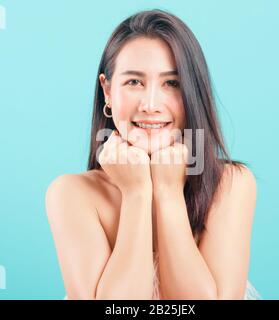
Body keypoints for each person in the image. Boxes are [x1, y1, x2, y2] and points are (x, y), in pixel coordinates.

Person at [46, 9, 261, 300]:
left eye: (172, 83)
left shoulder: (231, 184)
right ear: (107, 91)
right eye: (134, 82)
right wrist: (136, 192)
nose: (150, 104)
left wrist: (168, 191)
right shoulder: (72, 193)